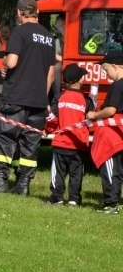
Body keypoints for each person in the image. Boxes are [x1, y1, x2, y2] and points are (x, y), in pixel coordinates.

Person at [0, 0, 56, 195]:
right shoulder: (49, 37)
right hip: (39, 100)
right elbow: (51, 72)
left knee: (3, 137)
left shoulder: (19, 32)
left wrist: (4, 63)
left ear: (19, 12)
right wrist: (44, 96)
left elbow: (12, 62)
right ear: (37, 13)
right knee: (30, 143)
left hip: (16, 97)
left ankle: (0, 182)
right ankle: (23, 184)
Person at [45, 64, 93, 206]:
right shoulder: (87, 100)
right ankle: (74, 199)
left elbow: (52, 119)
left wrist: (47, 130)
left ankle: (57, 197)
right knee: (76, 174)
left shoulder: (60, 97)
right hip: (79, 145)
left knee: (58, 173)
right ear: (79, 81)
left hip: (61, 143)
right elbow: (90, 120)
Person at [87, 52, 123, 214]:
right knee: (118, 170)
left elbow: (110, 110)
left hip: (111, 136)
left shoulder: (117, 85)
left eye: (106, 70)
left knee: (109, 169)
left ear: (116, 66)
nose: (105, 74)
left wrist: (94, 115)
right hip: (120, 135)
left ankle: (111, 203)